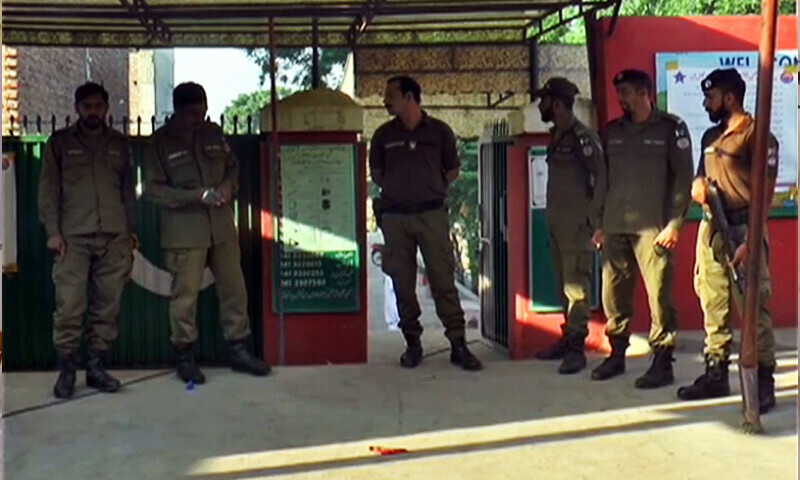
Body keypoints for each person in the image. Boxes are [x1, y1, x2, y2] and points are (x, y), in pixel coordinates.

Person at [143, 82, 270, 384]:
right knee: (185, 296)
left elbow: (232, 169)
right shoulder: (160, 143)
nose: (197, 119)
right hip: (184, 232)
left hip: (221, 227)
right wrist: (196, 196)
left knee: (234, 289)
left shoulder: (213, 134)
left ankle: (238, 349)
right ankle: (184, 355)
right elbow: (152, 190)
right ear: (177, 111)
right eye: (191, 115)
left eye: (202, 112)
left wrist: (227, 187)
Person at [677, 68, 778, 413]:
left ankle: (763, 381)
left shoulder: (757, 137)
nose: (706, 103)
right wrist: (697, 188)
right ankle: (715, 373)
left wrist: (750, 239)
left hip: (743, 230)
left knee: (752, 308)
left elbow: (764, 195)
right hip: (712, 230)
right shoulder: (709, 136)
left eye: (711, 97)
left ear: (730, 98)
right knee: (713, 303)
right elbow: (700, 179)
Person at [370, 75, 481, 371]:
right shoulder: (382, 135)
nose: (385, 100)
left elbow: (453, 171)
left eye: (391, 95)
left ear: (410, 97)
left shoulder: (440, 132)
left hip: (431, 215)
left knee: (443, 281)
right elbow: (378, 175)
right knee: (402, 284)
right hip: (396, 217)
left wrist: (429, 186)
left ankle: (458, 345)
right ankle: (412, 344)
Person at [591, 69, 693, 388]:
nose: (621, 99)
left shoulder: (670, 128)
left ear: (645, 93)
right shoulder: (612, 131)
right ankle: (617, 353)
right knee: (613, 293)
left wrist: (676, 223)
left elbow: (683, 178)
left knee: (658, 294)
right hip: (615, 224)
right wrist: (598, 224)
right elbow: (602, 180)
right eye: (619, 93)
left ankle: (662, 360)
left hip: (654, 228)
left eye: (626, 93)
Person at [38, 82, 136, 398]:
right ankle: (67, 371)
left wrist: (129, 232)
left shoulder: (120, 145)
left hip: (114, 236)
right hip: (72, 238)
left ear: (107, 108)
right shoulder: (60, 143)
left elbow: (128, 192)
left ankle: (96, 368)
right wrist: (52, 231)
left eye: (98, 106)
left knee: (107, 307)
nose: (93, 111)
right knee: (69, 306)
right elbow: (48, 191)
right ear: (77, 108)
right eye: (87, 106)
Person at [531, 77, 605, 374]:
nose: (541, 106)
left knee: (577, 287)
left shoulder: (582, 137)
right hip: (558, 225)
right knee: (565, 285)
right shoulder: (558, 136)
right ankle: (567, 338)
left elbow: (601, 178)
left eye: (545, 101)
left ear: (558, 103)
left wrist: (597, 222)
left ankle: (577, 348)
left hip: (577, 226)